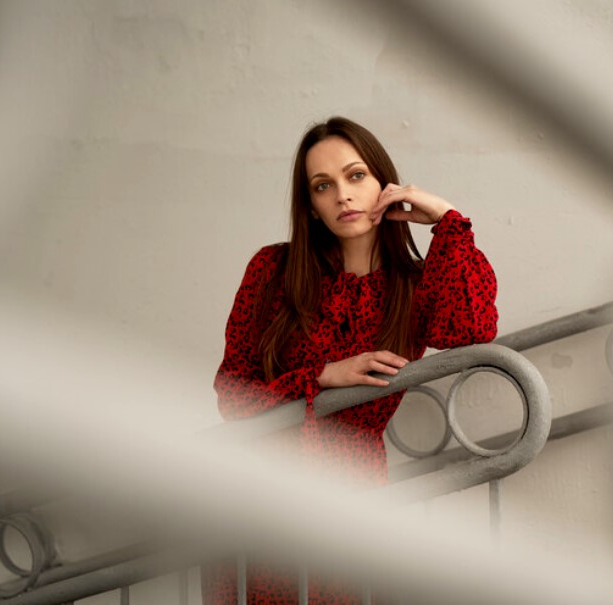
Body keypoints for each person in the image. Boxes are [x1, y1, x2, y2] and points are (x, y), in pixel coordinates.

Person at [202, 116, 498, 605]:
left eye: (356, 175)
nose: (342, 194)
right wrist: (321, 377)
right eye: (323, 186)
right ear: (312, 207)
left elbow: (471, 327)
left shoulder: (413, 286)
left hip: (350, 500)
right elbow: (233, 396)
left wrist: (447, 218)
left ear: (383, 181)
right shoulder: (272, 270)